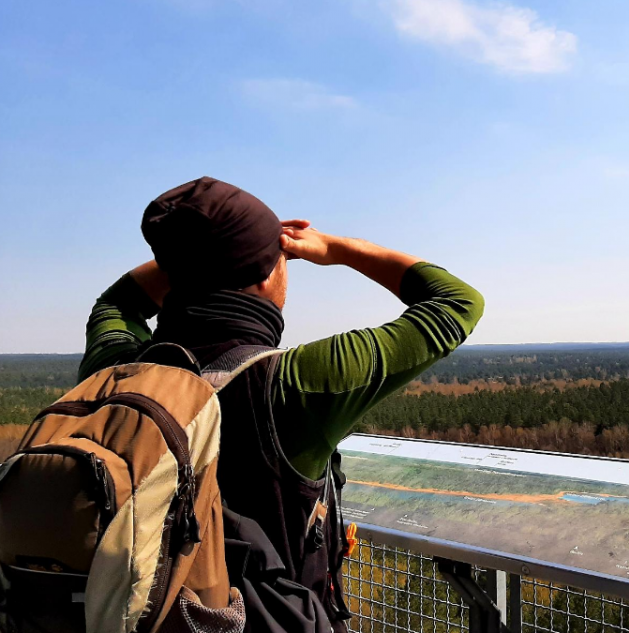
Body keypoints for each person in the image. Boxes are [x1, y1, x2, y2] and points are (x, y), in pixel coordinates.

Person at [77, 176, 485, 632]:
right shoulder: (291, 383)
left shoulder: (114, 371)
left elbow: (118, 301)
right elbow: (456, 302)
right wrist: (338, 248)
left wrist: (191, 254)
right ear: (269, 272)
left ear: (170, 277)